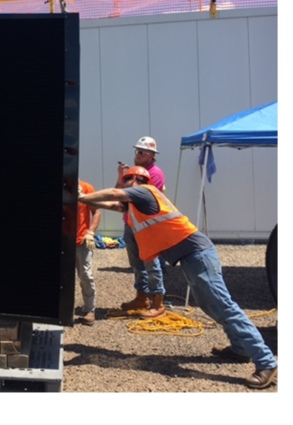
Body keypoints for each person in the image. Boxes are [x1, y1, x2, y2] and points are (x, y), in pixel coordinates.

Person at [80, 166, 279, 389]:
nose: (125, 183)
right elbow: (111, 204)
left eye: (128, 179)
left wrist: (82, 196)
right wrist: (82, 201)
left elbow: (114, 195)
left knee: (224, 306)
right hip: (190, 258)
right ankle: (240, 349)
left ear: (137, 180)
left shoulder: (145, 192)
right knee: (208, 305)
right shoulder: (135, 206)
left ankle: (266, 363)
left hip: (198, 255)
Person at [115, 136, 168, 319]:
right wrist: (121, 177)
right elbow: (119, 194)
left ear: (152, 155)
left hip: (146, 226)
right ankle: (142, 297)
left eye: (142, 152)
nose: (137, 154)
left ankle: (158, 303)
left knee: (151, 263)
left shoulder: (155, 174)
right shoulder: (134, 172)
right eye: (137, 151)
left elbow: (137, 197)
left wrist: (125, 188)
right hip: (130, 223)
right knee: (137, 263)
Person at [74, 180, 102, 326]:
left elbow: (96, 211)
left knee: (85, 274)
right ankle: (59, 310)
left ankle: (89, 308)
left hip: (81, 240)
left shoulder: (86, 188)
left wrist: (90, 232)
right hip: (62, 241)